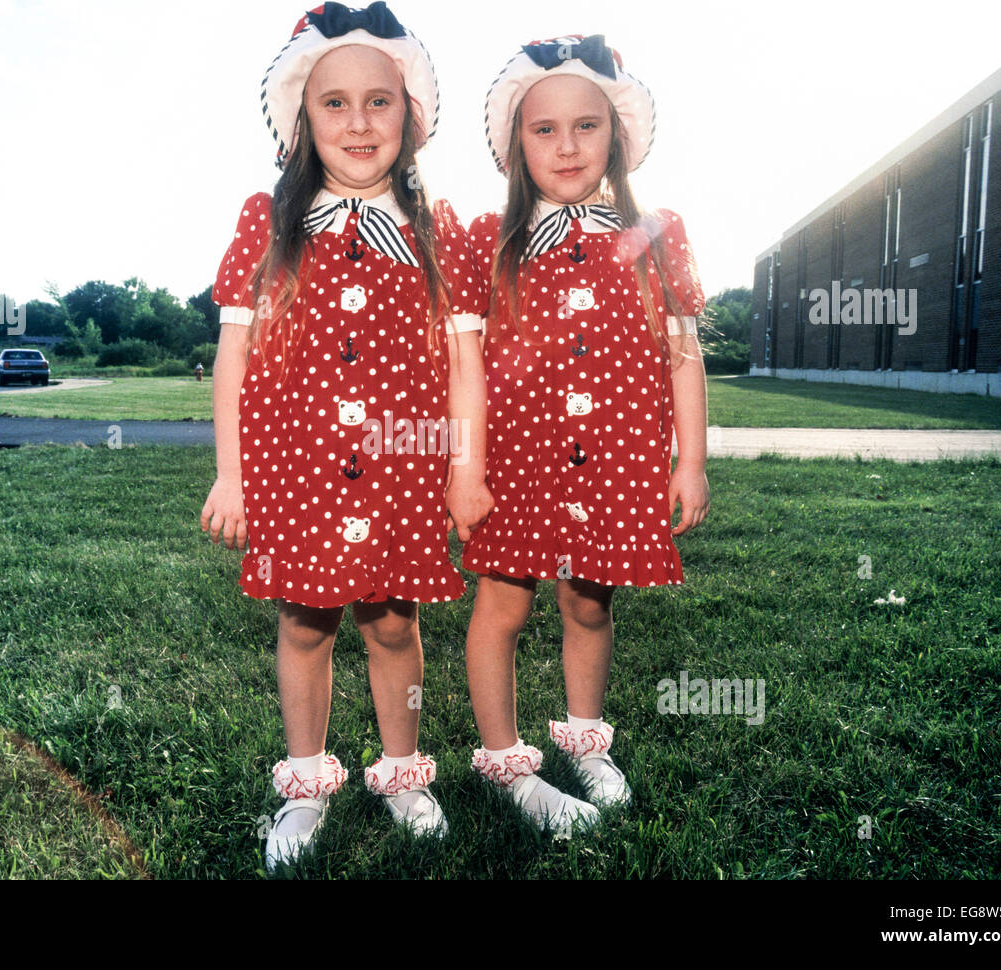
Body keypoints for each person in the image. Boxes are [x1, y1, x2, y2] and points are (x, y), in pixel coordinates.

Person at [200, 2, 492, 871]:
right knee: (303, 625)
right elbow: (233, 360)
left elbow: (466, 367)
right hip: (297, 468)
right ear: (302, 117)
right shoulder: (268, 221)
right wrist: (232, 474)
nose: (359, 122)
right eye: (335, 103)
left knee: (394, 626)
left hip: (404, 470)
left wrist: (465, 469)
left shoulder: (438, 230)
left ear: (412, 116)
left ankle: (403, 772)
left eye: (380, 102)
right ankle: (306, 780)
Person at [461, 34, 711, 832]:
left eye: (586, 126)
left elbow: (682, 358)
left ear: (619, 136)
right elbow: (464, 368)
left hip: (615, 459)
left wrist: (691, 463)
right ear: (515, 143)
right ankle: (506, 761)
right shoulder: (490, 242)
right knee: (502, 606)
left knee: (590, 605)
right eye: (544, 129)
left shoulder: (652, 235)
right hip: (520, 460)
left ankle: (585, 740)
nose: (567, 146)